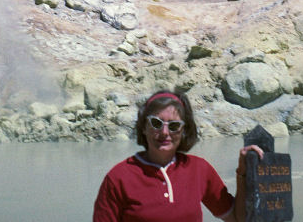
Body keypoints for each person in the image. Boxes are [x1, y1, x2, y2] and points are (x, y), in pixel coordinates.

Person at [93, 90, 264, 222]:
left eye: (174, 126)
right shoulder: (118, 178)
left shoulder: (199, 169)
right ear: (143, 127)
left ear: (183, 131)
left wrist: (243, 173)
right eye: (156, 123)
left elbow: (236, 218)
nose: (165, 132)